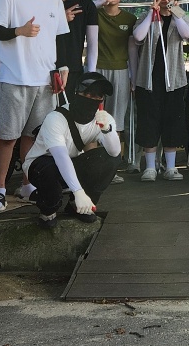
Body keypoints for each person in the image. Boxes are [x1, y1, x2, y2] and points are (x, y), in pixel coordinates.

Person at [0, 0, 70, 212]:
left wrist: (63, 67)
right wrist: (20, 31)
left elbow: (60, 38)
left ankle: (27, 185)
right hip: (15, 76)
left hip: (46, 80)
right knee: (8, 137)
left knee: (34, 138)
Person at [23, 72, 122, 229]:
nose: (92, 99)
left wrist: (107, 129)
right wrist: (78, 191)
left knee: (109, 160)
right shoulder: (55, 118)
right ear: (77, 93)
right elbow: (60, 156)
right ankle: (48, 209)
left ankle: (78, 206)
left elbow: (115, 153)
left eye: (98, 96)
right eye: (88, 93)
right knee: (50, 170)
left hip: (73, 162)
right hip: (42, 164)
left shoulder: (103, 118)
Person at [131, 0, 189, 181]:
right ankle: (150, 167)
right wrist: (152, 13)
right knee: (149, 120)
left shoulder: (181, 17)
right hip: (148, 79)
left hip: (174, 80)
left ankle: (171, 167)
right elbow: (138, 37)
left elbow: (187, 35)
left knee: (172, 121)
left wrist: (175, 12)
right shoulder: (145, 17)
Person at [92, 0, 137, 181]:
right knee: (95, 120)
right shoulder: (95, 13)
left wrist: (133, 77)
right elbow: (84, 11)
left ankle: (112, 169)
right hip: (97, 70)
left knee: (116, 122)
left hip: (121, 71)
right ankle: (96, 166)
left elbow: (132, 51)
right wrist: (100, 2)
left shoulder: (129, 19)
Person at [52, 0, 100, 77]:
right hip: (43, 67)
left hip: (73, 69)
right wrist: (61, 19)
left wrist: (91, 73)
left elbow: (92, 43)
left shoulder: (87, 6)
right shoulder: (43, 0)